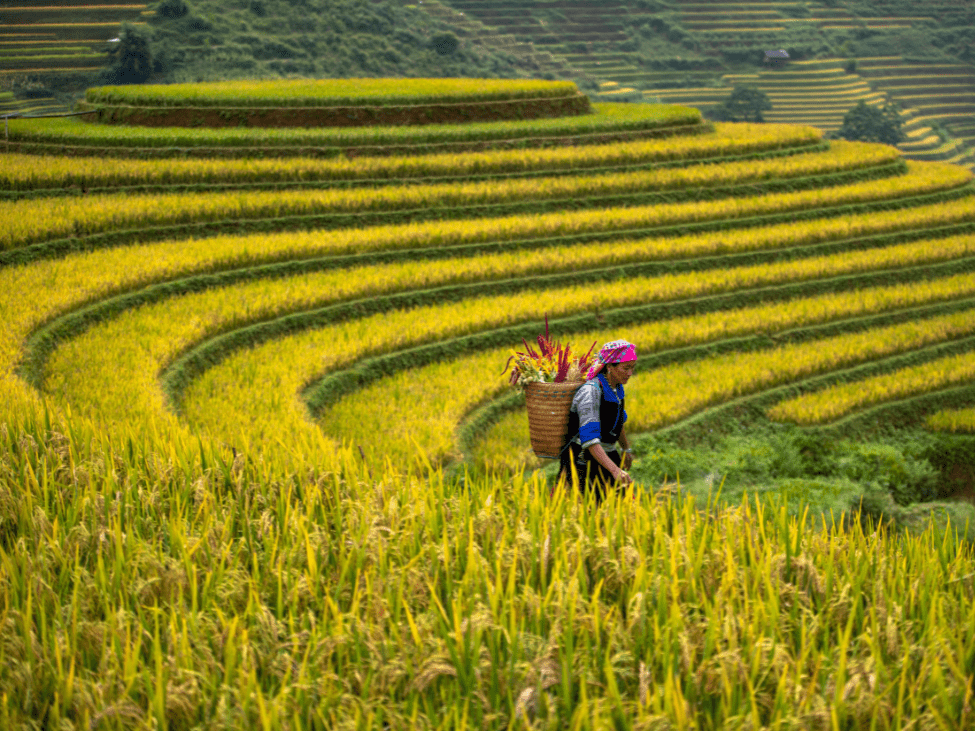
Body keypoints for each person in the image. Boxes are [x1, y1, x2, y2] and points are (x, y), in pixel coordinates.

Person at [558, 339, 637, 501]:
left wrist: (625, 449)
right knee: (591, 509)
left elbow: (618, 421)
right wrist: (615, 471)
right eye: (626, 368)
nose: (630, 373)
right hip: (583, 460)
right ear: (610, 367)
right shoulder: (591, 392)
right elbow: (590, 440)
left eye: (632, 368)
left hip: (606, 454)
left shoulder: (616, 389)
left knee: (622, 508)